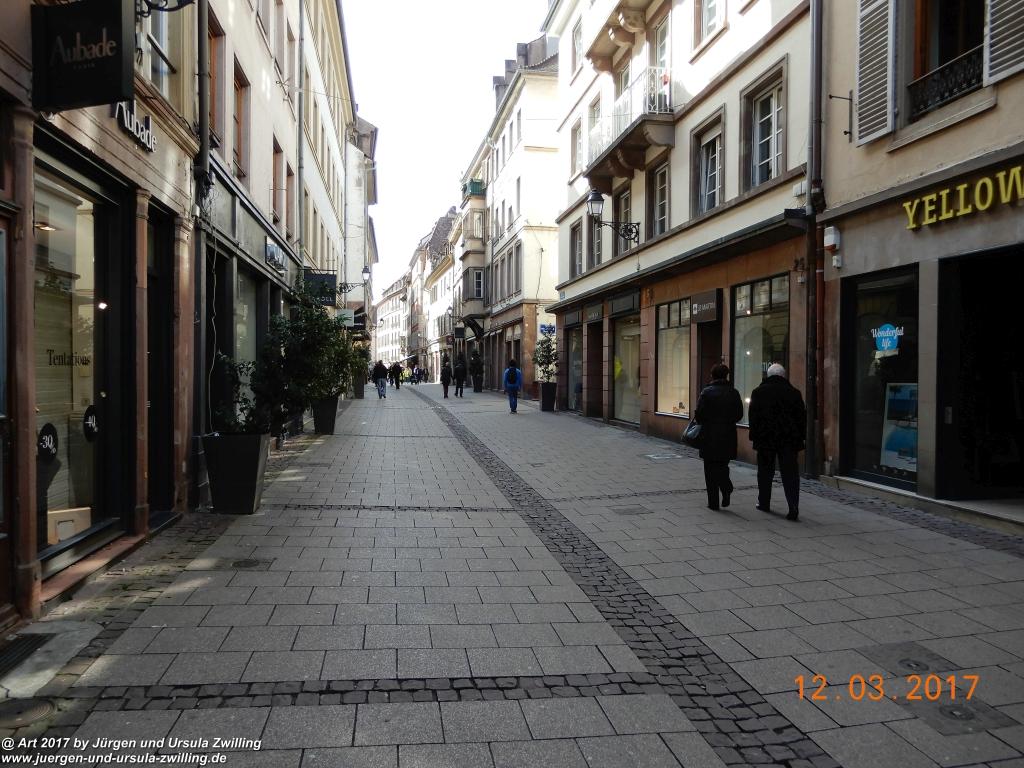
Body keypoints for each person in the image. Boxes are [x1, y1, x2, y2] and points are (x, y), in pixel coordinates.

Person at [749, 363, 807, 520]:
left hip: (765, 439)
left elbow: (753, 417)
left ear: (768, 376)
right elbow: (801, 418)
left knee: (764, 472)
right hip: (788, 439)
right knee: (790, 474)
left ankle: (764, 502)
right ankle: (793, 506)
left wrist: (754, 436)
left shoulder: (758, 392)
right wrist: (801, 437)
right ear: (783, 376)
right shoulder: (794, 393)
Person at [693, 363, 743, 511]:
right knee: (722, 465)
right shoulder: (733, 392)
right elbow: (739, 415)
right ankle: (726, 487)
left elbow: (699, 415)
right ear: (726, 375)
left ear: (712, 375)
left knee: (709, 469)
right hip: (728, 435)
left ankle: (713, 502)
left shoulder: (706, 392)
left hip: (709, 436)